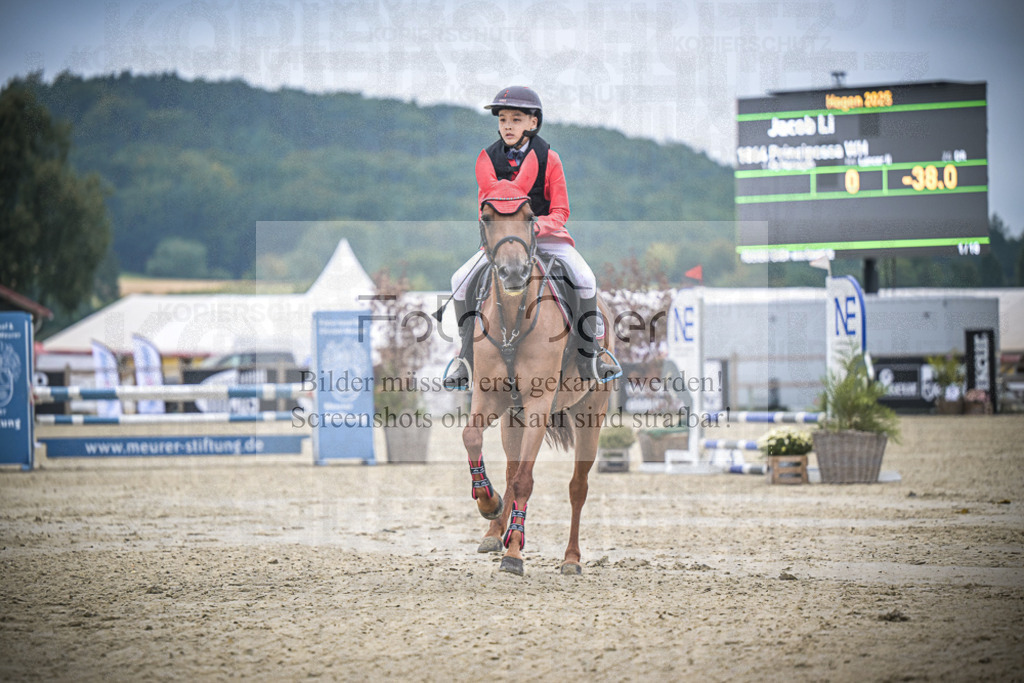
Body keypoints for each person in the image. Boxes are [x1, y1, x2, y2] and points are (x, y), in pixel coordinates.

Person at [443, 86, 621, 391]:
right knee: (458, 280)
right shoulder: (486, 159)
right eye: (502, 120)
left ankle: (593, 354)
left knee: (585, 278)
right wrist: (504, 235)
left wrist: (532, 229)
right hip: (502, 245)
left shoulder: (550, 158)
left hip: (546, 237)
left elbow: (561, 210)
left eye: (515, 119)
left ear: (533, 123)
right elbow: (482, 210)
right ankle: (466, 358)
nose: (507, 126)